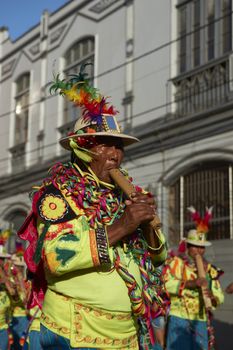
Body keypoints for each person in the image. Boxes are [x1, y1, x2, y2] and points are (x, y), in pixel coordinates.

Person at [18, 65, 168, 350]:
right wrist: (123, 224)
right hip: (73, 334)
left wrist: (147, 224)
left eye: (118, 146)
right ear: (81, 149)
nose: (114, 154)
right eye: (105, 145)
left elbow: (157, 258)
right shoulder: (57, 194)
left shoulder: (123, 196)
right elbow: (55, 256)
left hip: (126, 335)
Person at [163, 206, 224, 350]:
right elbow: (165, 284)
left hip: (200, 320)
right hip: (178, 318)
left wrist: (213, 297)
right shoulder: (175, 263)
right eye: (195, 246)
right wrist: (191, 283)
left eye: (202, 247)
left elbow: (220, 296)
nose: (199, 250)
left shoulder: (210, 270)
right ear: (188, 247)